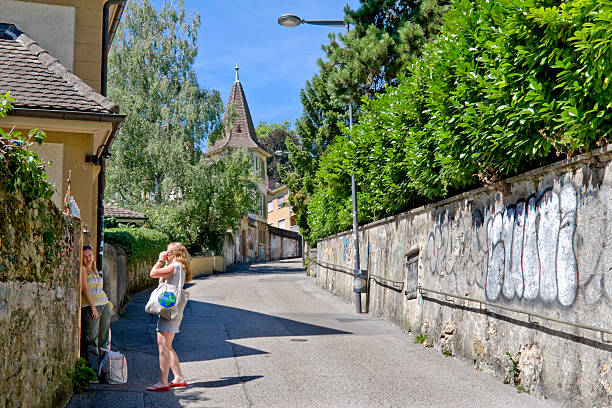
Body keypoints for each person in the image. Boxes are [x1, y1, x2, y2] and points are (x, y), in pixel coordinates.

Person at [146, 242, 192, 392]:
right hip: (172, 308)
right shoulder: (178, 267)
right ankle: (178, 377)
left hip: (169, 309)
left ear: (174, 253)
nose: (165, 254)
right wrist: (166, 262)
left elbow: (153, 273)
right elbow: (161, 281)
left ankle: (162, 381)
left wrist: (160, 260)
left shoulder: (175, 266)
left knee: (163, 346)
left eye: (168, 252)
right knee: (168, 346)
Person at [80, 245, 113, 375]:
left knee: (103, 339)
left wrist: (108, 304)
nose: (88, 258)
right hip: (91, 307)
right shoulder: (83, 270)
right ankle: (92, 372)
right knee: (91, 338)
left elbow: (99, 289)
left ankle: (103, 370)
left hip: (104, 306)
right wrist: (93, 307)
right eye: (85, 256)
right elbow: (85, 289)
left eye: (90, 255)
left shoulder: (95, 270)